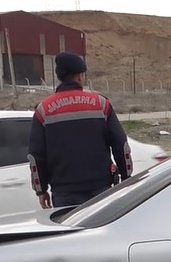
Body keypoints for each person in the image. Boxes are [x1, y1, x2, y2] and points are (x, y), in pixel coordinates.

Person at [28, 52, 133, 208]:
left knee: (72, 231)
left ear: (58, 77)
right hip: (100, 188)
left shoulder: (43, 111)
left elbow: (36, 156)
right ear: (79, 76)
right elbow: (120, 145)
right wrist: (126, 178)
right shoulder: (101, 104)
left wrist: (41, 190)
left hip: (64, 193)